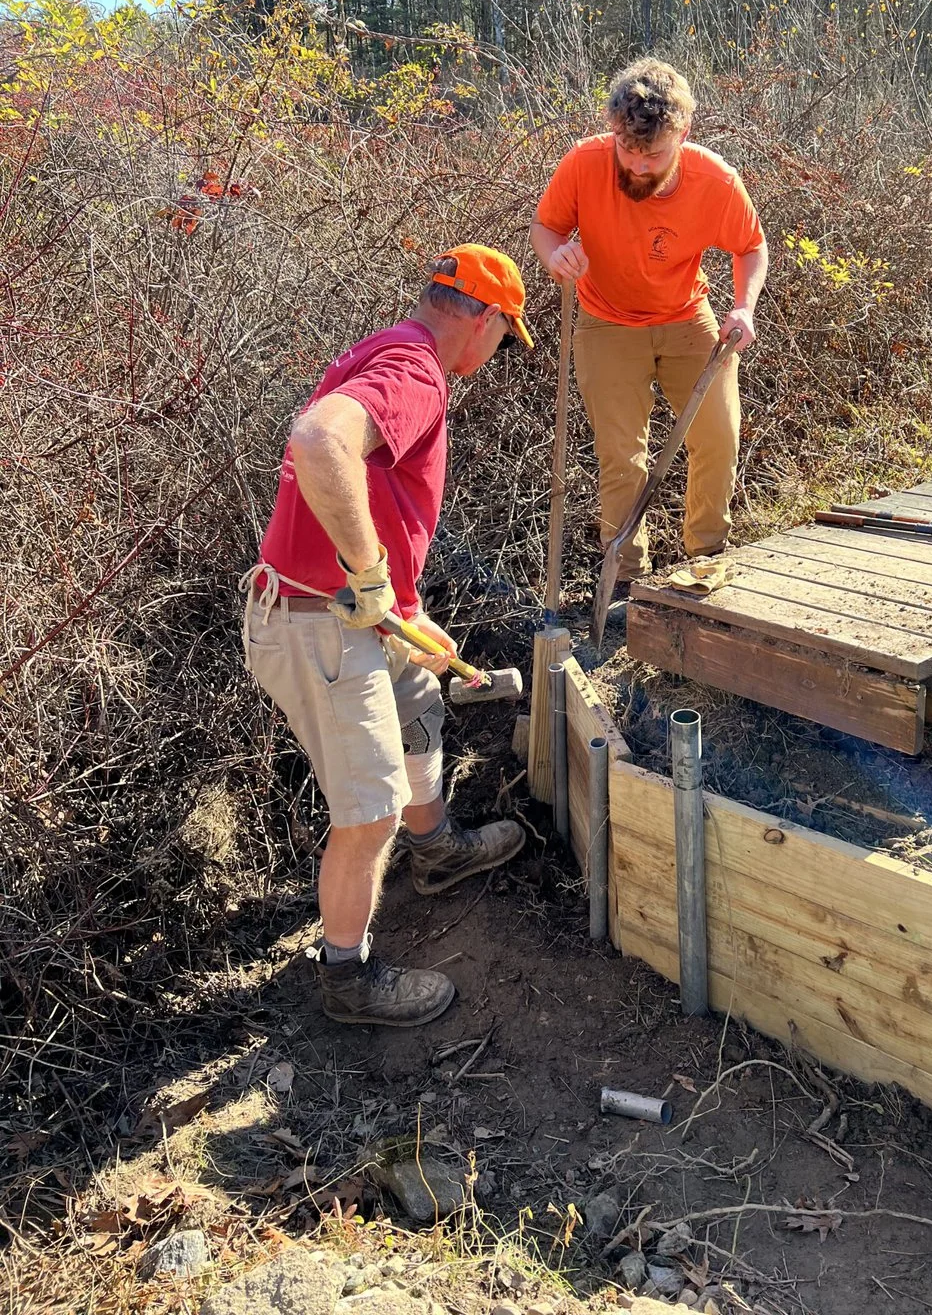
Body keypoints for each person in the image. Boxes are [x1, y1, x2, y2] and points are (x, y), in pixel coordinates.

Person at [241, 245, 534, 1027]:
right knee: (368, 812)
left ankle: (435, 847)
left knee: (418, 698)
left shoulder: (392, 349)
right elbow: (319, 443)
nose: (499, 351)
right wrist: (370, 580)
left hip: (349, 613)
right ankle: (348, 981)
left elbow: (363, 486)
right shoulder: (415, 370)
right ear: (486, 317)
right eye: (506, 334)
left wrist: (403, 607)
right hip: (317, 624)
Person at [531, 58, 768, 586]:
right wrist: (554, 257)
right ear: (614, 131)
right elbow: (546, 227)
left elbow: (751, 246)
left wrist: (743, 306)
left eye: (653, 155)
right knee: (622, 459)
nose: (636, 166)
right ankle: (627, 580)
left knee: (717, 438)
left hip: (687, 317)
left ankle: (706, 557)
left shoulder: (715, 180)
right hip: (604, 323)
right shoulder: (584, 163)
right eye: (628, 151)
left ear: (683, 134)